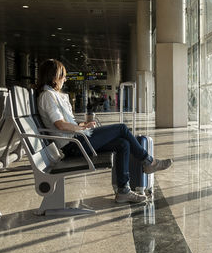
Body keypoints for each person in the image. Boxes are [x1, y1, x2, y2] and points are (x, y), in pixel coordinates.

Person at [37, 59, 172, 203]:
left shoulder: (52, 95)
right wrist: (81, 128)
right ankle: (148, 162)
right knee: (121, 128)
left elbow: (64, 123)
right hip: (74, 145)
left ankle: (123, 191)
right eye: (62, 75)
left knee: (123, 144)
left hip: (76, 140)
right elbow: (60, 125)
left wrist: (82, 124)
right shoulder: (47, 96)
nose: (65, 79)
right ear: (54, 76)